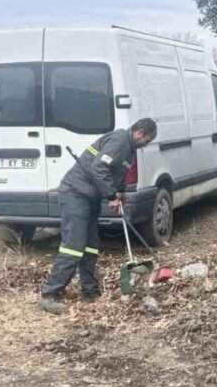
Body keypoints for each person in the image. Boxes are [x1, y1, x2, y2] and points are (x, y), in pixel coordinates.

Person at [38, 118, 158, 314]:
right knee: (74, 247)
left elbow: (117, 172)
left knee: (90, 245)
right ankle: (49, 294)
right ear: (140, 133)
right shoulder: (120, 142)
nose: (147, 144)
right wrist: (110, 195)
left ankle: (90, 292)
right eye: (148, 140)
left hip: (89, 197)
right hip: (75, 193)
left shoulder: (129, 148)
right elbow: (98, 168)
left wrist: (120, 194)